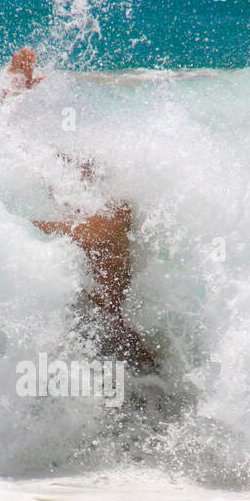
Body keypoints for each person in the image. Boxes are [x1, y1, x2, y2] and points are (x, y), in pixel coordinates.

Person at [31, 157, 156, 373]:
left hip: (118, 336)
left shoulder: (116, 209)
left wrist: (21, 226)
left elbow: (95, 234)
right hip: (86, 332)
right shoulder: (79, 218)